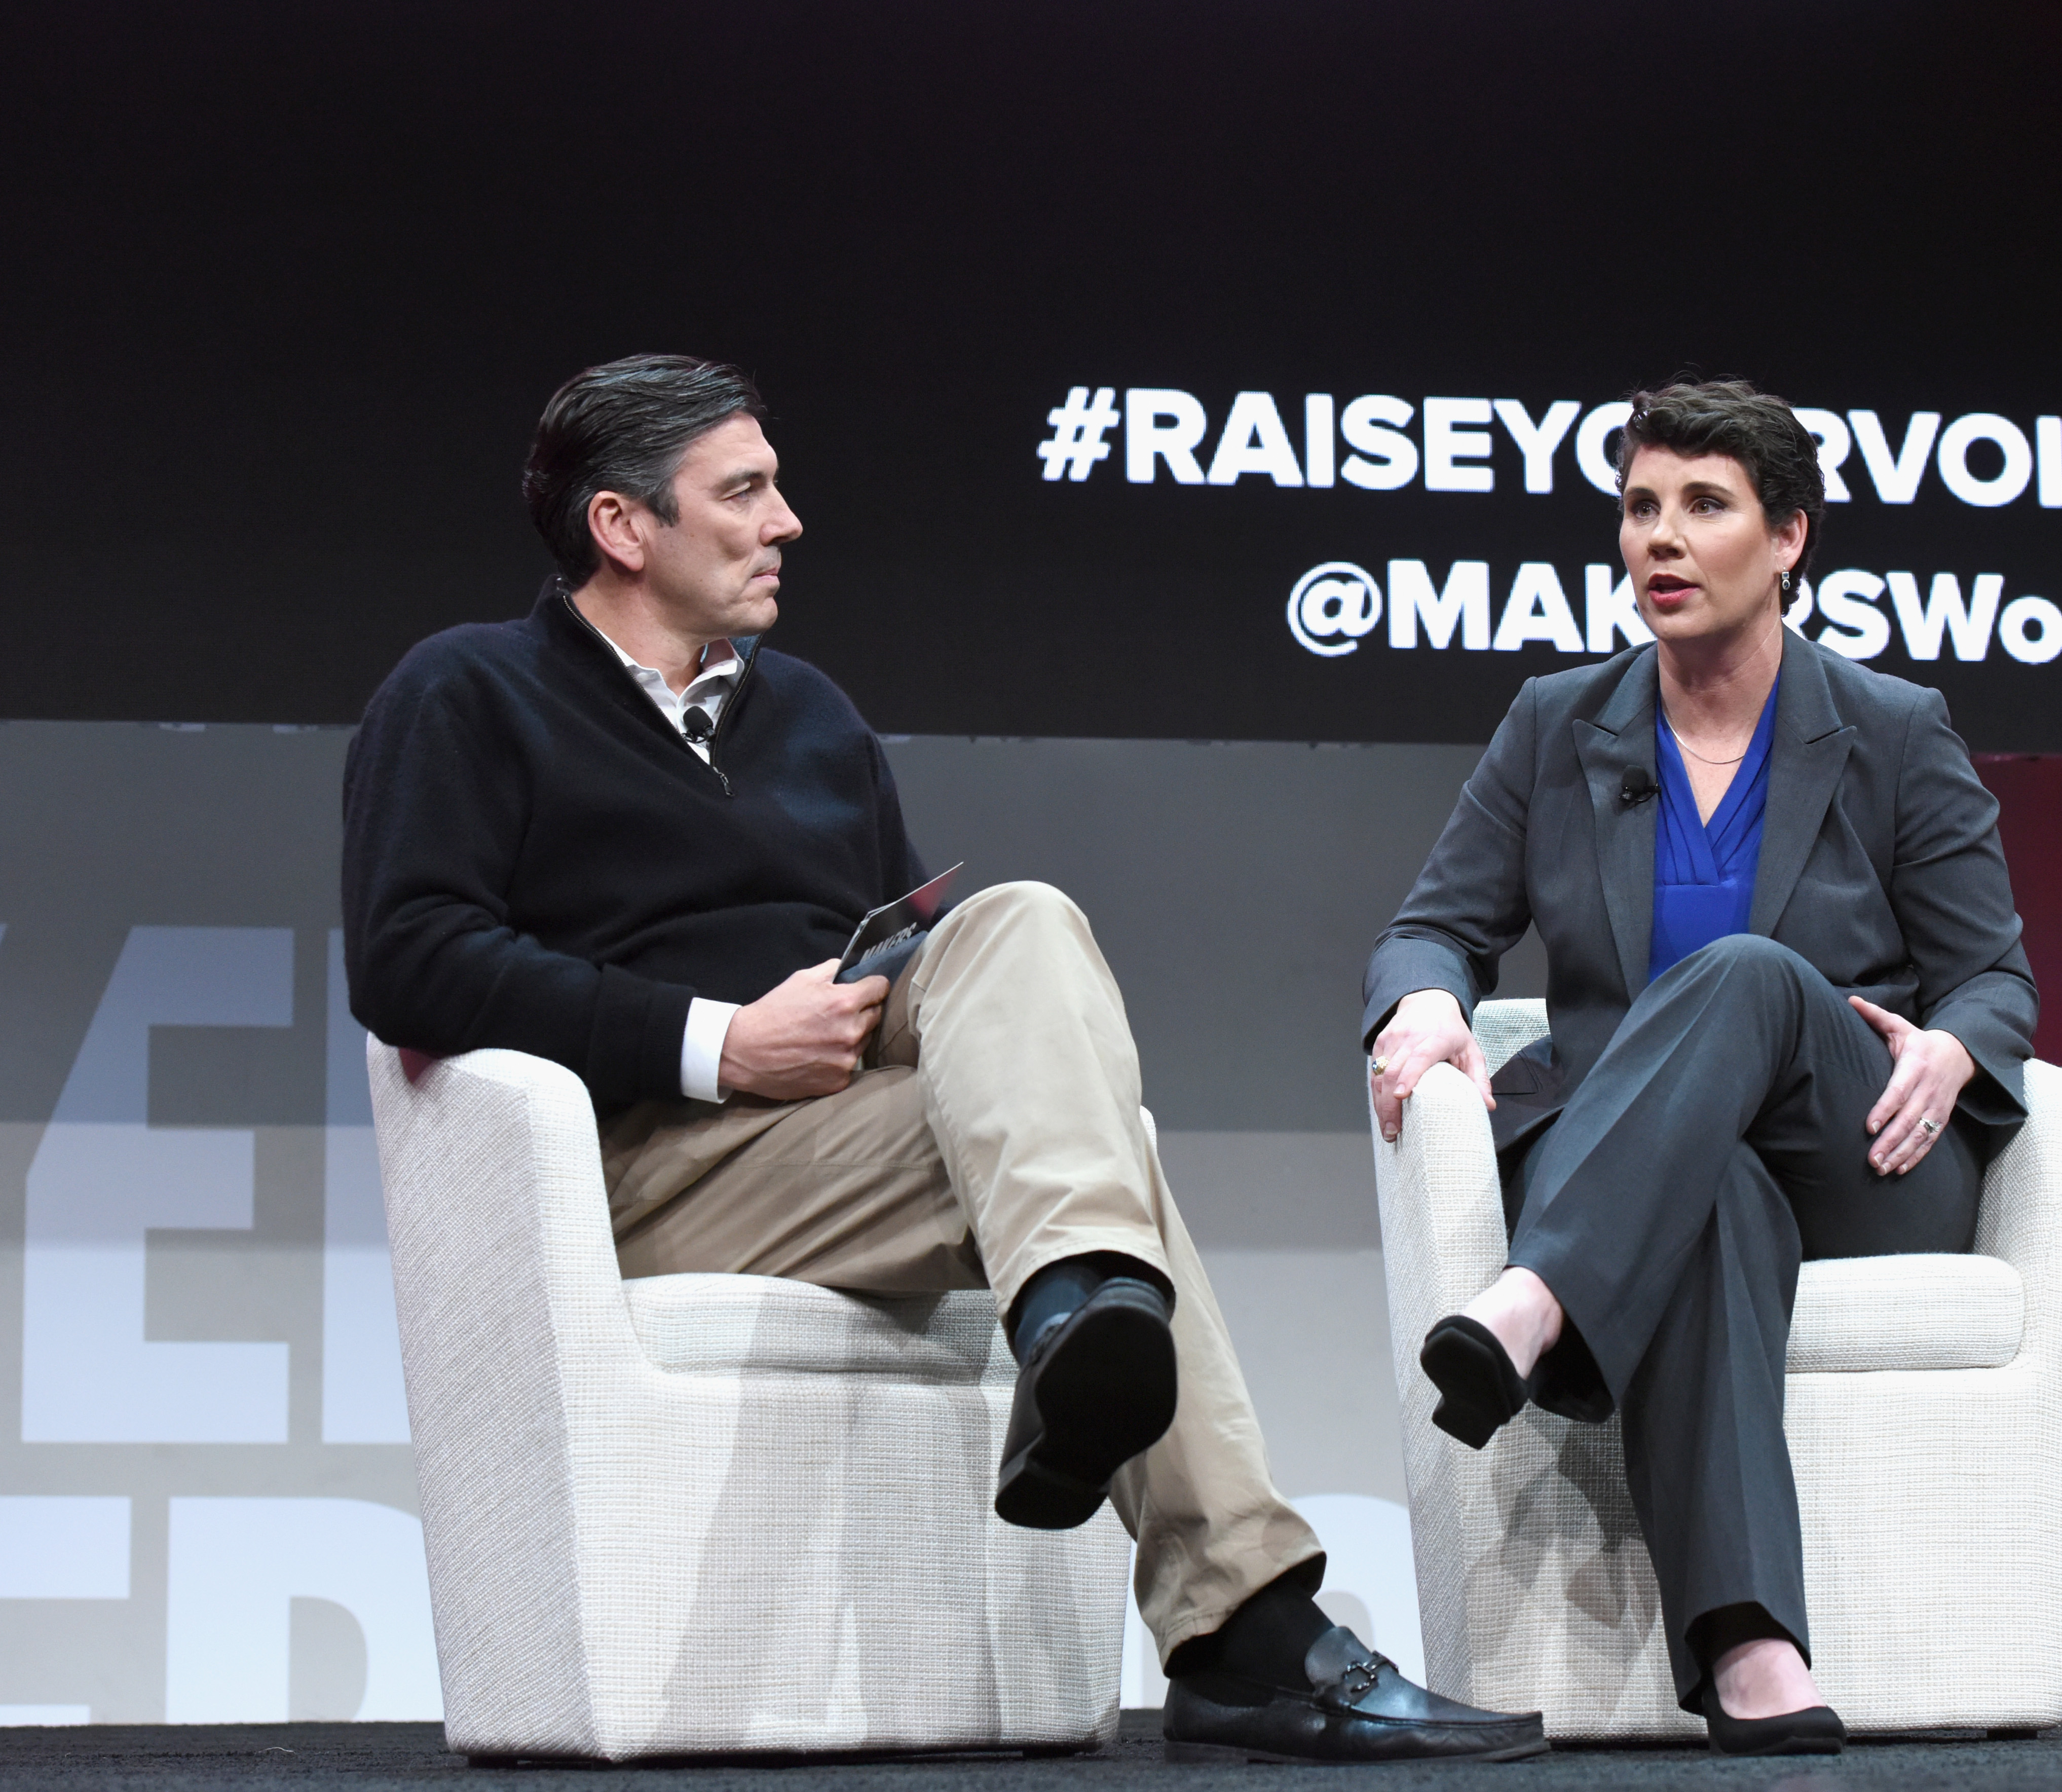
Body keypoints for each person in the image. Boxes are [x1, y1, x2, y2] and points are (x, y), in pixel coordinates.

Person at [344, 354, 1544, 1765]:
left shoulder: (809, 715)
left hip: (838, 1143)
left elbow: (934, 971)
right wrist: (719, 1044)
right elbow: (408, 959)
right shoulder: (468, 692)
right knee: (1098, 1186)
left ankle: (1078, 1330)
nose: (786, 520)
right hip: (647, 1170)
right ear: (623, 527)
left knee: (1018, 925)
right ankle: (1241, 1627)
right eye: (744, 491)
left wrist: (869, 998)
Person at [1363, 381, 2037, 1758]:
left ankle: (1538, 1299)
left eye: (1703, 507)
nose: (1658, 540)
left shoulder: (1892, 726)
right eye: (1638, 508)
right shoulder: (1558, 722)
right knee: (1710, 1191)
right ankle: (1745, 1642)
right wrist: (1425, 1002)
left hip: (1864, 1156)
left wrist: (1957, 1042)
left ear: (1787, 537)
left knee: (1740, 974)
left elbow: (1994, 974)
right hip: (1654, 1153)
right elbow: (1433, 925)